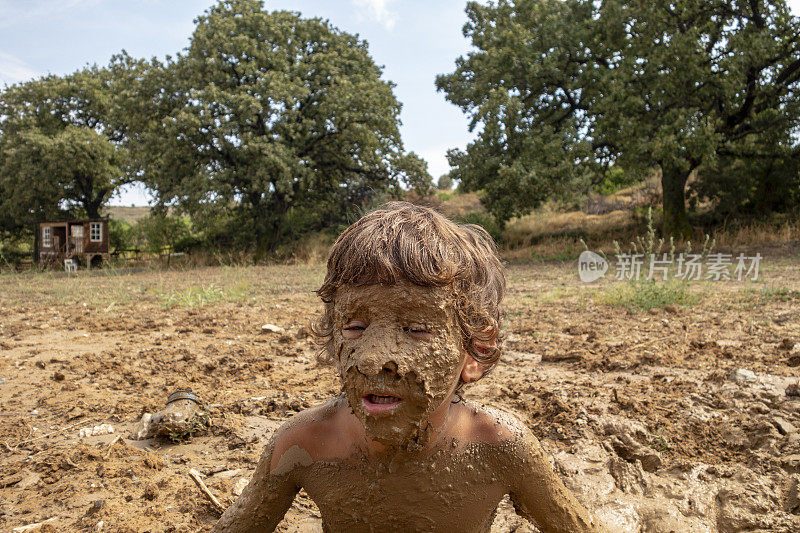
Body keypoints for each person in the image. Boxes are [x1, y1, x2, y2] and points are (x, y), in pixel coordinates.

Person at [214, 202, 605, 532]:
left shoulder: (501, 447)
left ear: (475, 351)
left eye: (417, 329)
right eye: (354, 327)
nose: (371, 357)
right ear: (334, 340)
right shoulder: (303, 444)